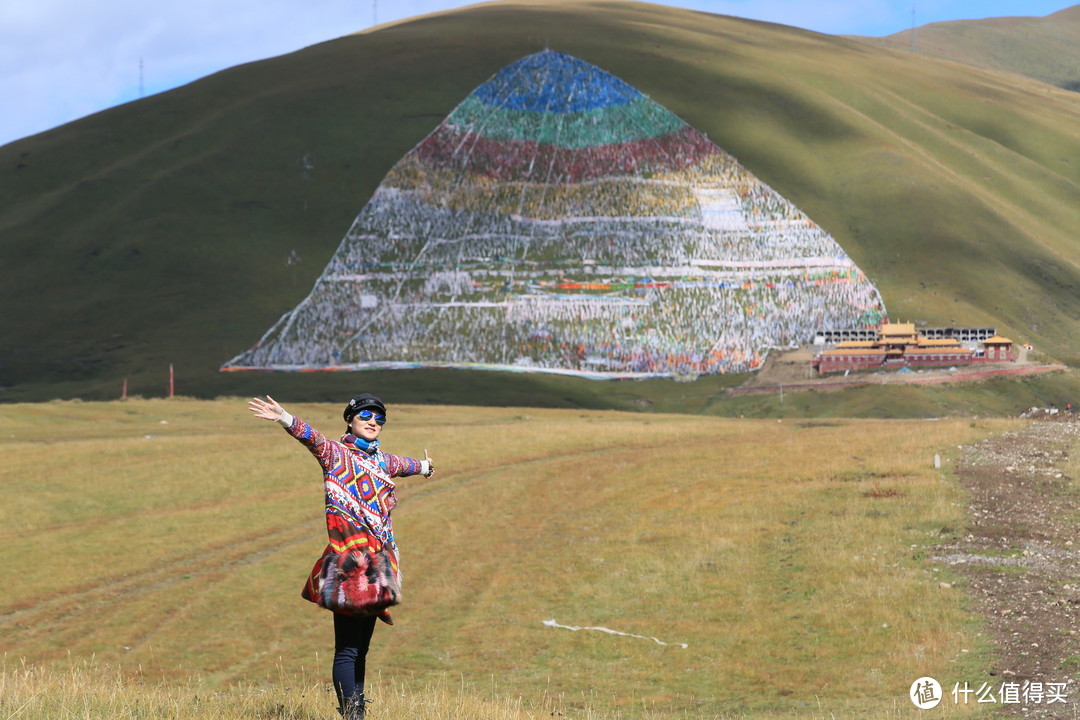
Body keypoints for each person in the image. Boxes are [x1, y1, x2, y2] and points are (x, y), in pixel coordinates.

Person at [248, 392, 434, 719]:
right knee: (347, 650)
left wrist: (426, 466)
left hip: (379, 565)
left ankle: (357, 710)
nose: (373, 422)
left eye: (380, 418)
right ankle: (352, 714)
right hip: (350, 564)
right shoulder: (335, 454)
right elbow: (311, 437)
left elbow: (407, 465)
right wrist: (283, 417)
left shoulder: (382, 461)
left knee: (362, 649)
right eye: (365, 416)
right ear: (350, 420)